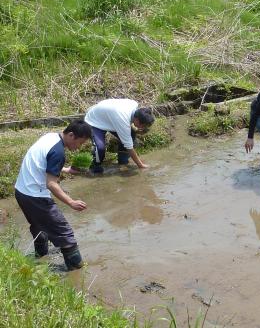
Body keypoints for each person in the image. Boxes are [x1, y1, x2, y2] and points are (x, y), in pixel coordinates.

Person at [14, 120, 92, 271]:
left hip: (21, 191)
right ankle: (77, 270)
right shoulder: (58, 152)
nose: (79, 147)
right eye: (80, 143)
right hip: (36, 196)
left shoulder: (50, 137)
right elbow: (51, 184)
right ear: (71, 135)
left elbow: (42, 161)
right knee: (65, 232)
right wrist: (71, 202)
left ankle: (39, 258)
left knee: (39, 225)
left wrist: (66, 170)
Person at [84, 98, 155, 173]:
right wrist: (141, 165)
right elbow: (129, 147)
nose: (142, 128)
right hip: (94, 121)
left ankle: (123, 162)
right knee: (100, 148)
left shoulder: (134, 104)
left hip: (109, 118)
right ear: (137, 120)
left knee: (131, 134)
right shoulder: (122, 119)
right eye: (142, 126)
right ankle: (95, 167)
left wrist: (136, 130)